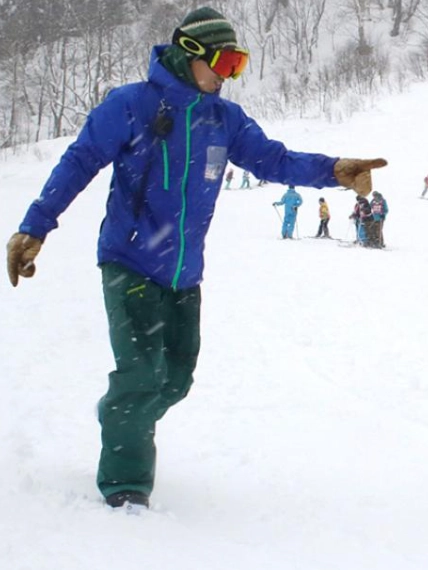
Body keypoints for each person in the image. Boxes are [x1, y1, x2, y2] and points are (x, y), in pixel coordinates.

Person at [5, 6, 387, 511]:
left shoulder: (223, 119)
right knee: (142, 376)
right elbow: (79, 162)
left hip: (185, 272)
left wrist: (334, 170)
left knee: (175, 379)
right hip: (129, 258)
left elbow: (273, 159)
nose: (230, 76)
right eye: (225, 63)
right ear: (190, 54)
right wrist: (35, 226)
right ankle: (125, 487)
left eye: (238, 65)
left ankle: (121, 414)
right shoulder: (131, 105)